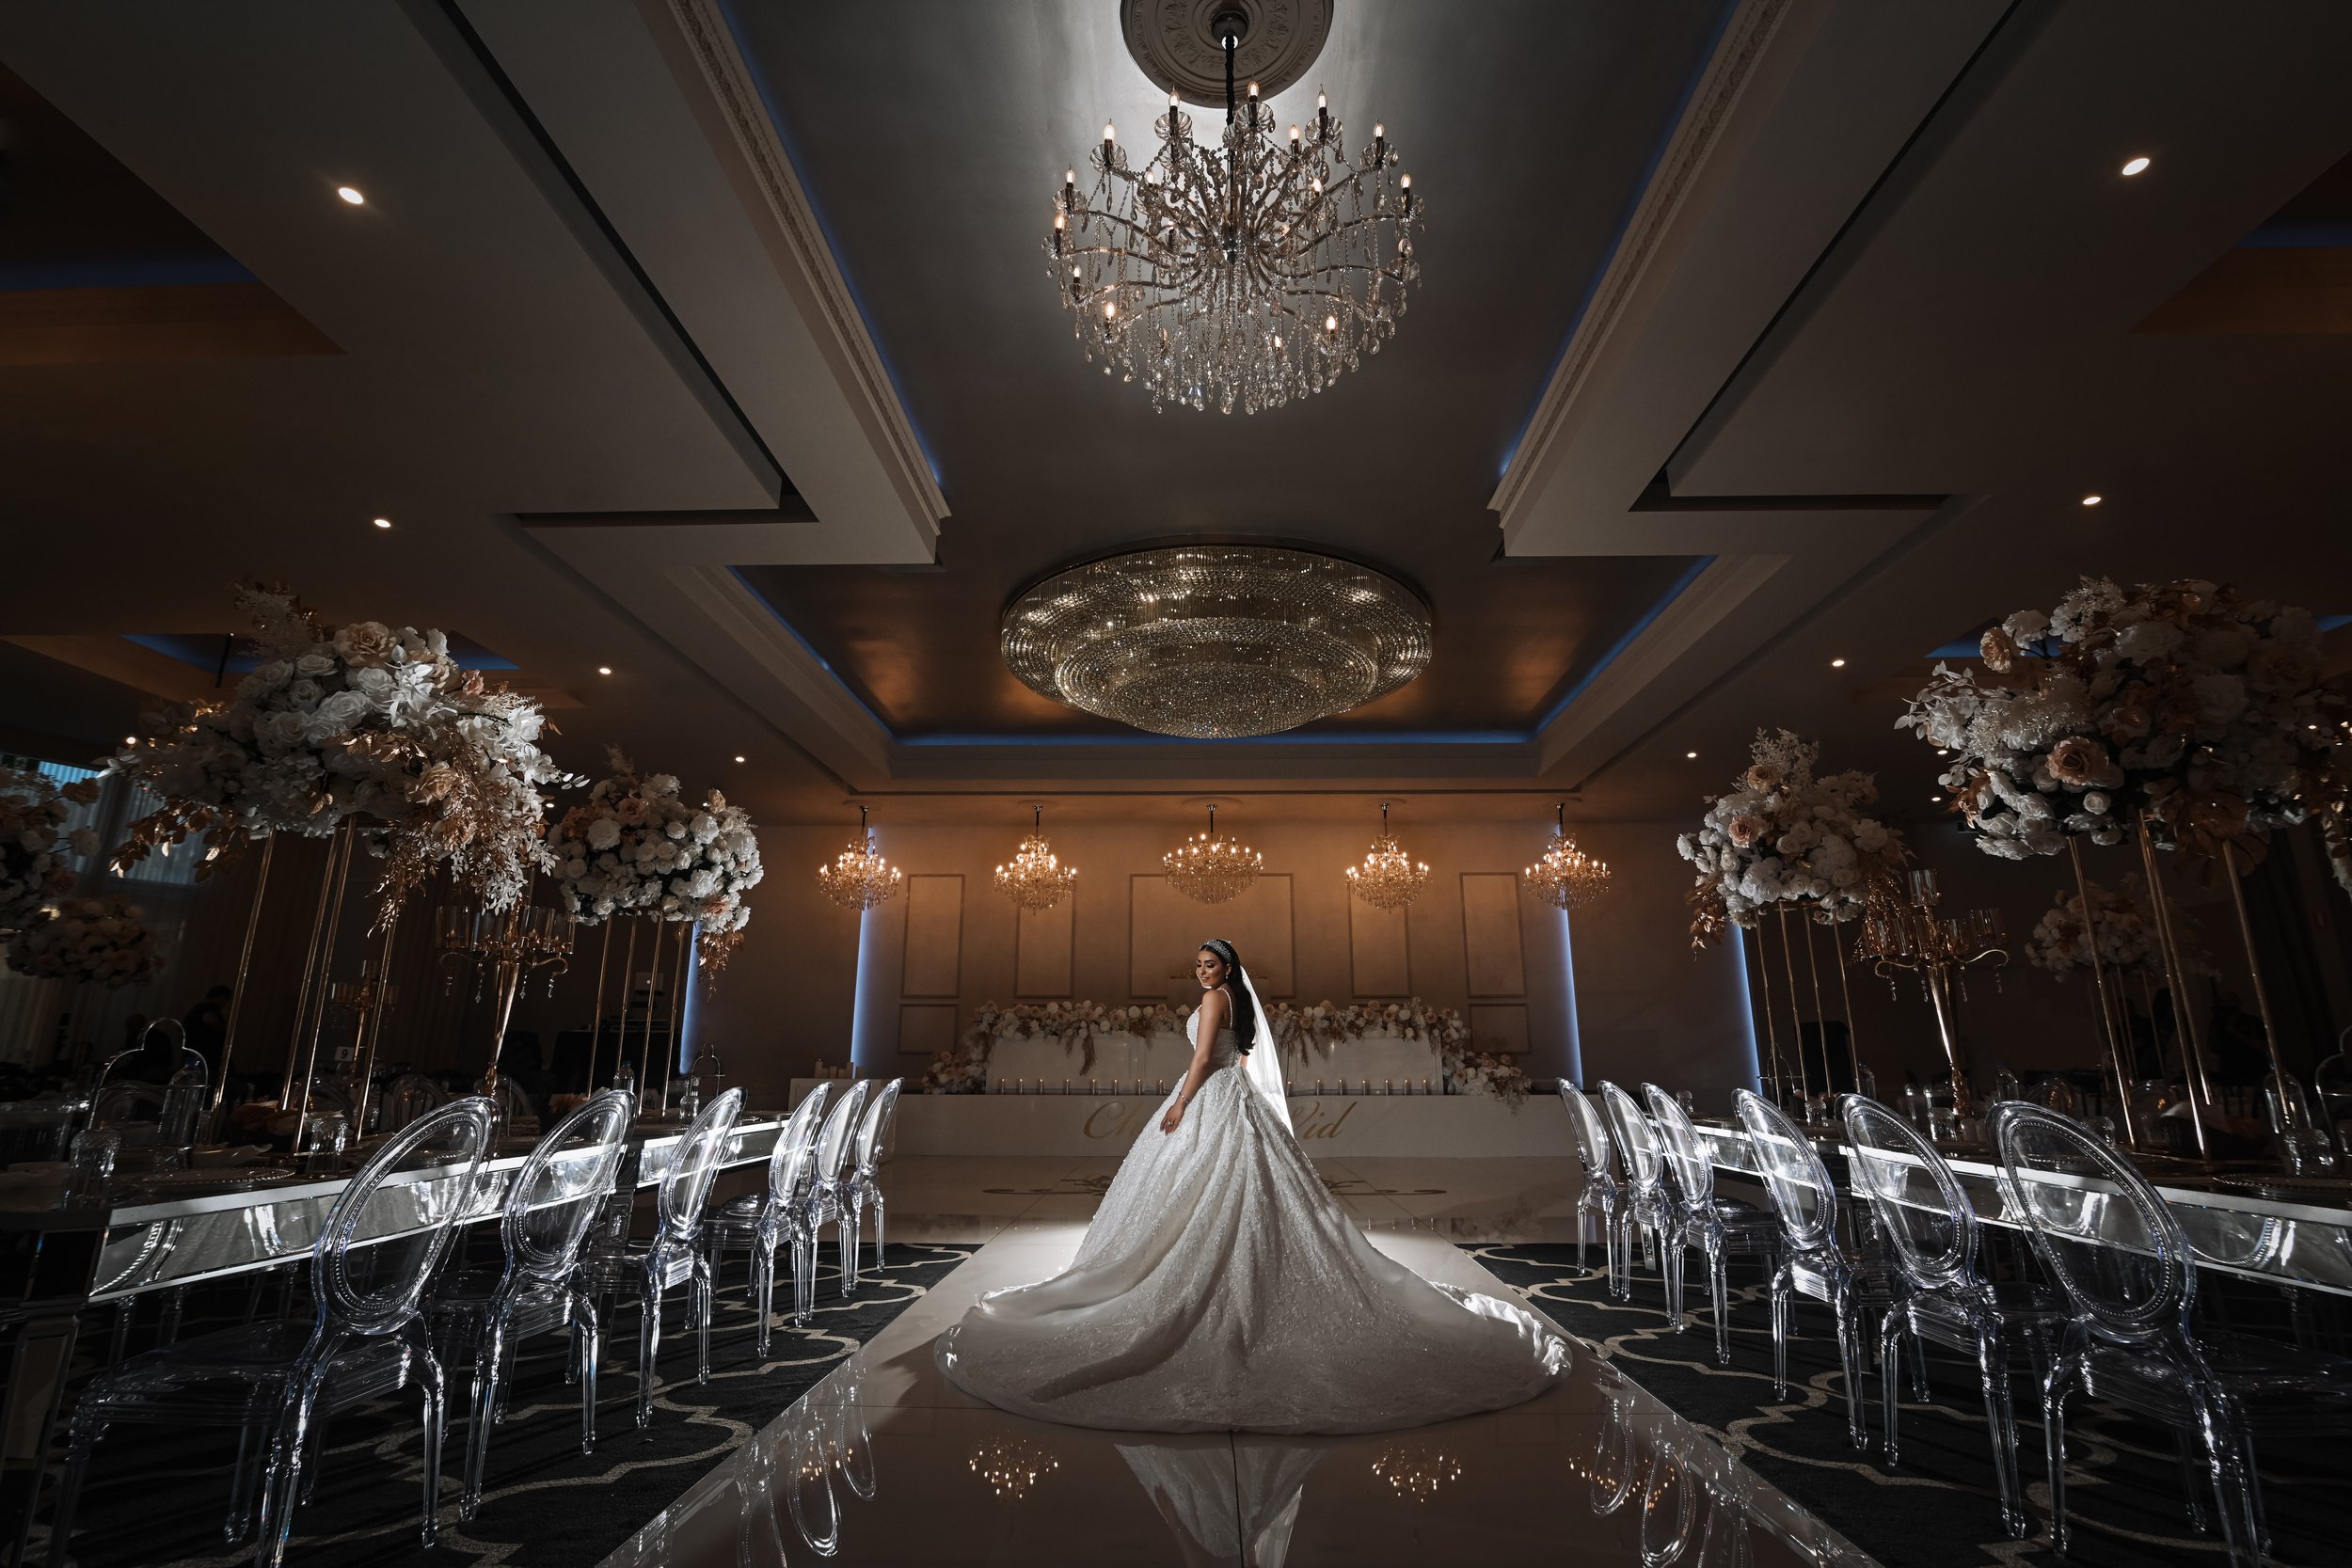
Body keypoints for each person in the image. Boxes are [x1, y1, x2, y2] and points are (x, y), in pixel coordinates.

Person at [936, 937, 1570, 1434]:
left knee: (1207, 1189)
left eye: (1211, 963)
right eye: (1198, 964)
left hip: (1213, 1097)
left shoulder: (1216, 1002)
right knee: (1237, 1190)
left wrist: (1182, 1104)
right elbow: (1239, 1055)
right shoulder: (1235, 1000)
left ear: (1228, 968)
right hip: (1235, 1097)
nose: (1202, 971)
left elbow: (1203, 1056)